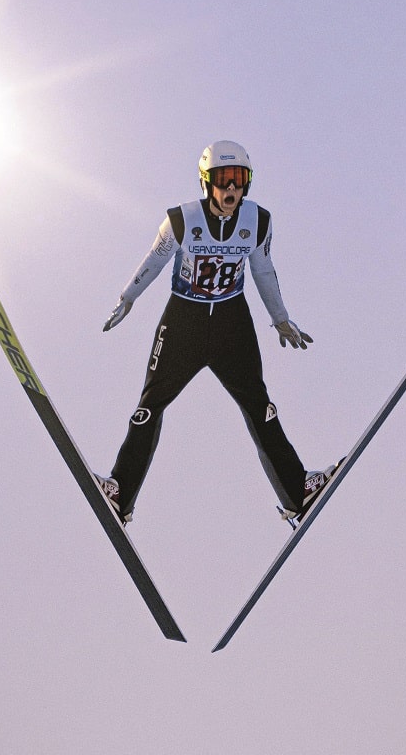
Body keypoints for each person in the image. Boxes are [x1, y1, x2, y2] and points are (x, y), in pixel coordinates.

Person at [97, 140, 335, 525]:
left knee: (260, 406)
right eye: (223, 180)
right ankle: (120, 494)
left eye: (239, 180)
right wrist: (128, 297)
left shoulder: (256, 221)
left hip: (231, 323)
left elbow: (262, 270)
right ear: (206, 183)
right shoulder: (181, 220)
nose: (231, 190)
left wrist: (280, 318)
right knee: (149, 405)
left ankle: (298, 490)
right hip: (184, 322)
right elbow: (154, 261)